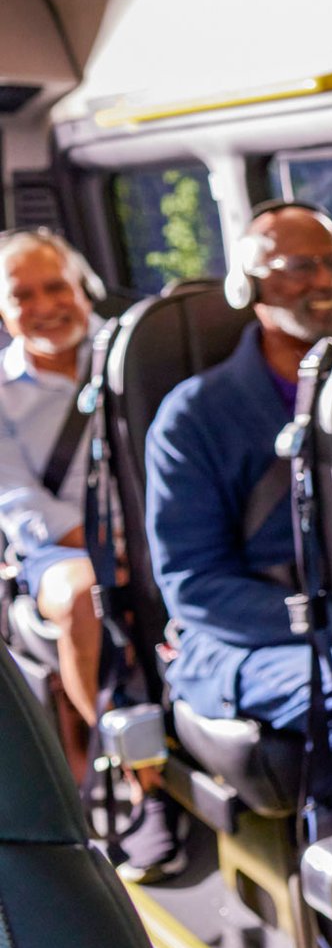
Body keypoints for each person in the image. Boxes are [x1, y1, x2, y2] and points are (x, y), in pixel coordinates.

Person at [146, 201, 332, 948]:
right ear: (249, 284)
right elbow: (191, 585)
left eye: (331, 262)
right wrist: (326, 625)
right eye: (296, 266)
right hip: (242, 638)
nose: (324, 281)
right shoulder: (194, 415)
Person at [0, 229, 185, 882]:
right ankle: (138, 775)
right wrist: (107, 544)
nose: (47, 304)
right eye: (24, 294)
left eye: (58, 286)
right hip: (61, 552)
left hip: (150, 532)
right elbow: (19, 504)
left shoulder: (130, 357)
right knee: (87, 594)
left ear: (85, 291)